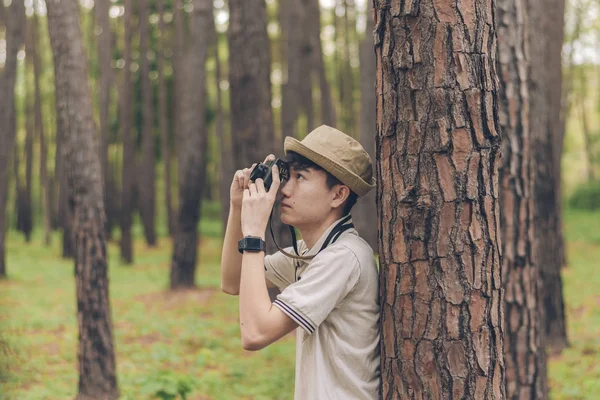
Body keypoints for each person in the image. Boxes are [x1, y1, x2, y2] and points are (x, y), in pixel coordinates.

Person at [220, 125, 380, 399]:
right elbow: (233, 281)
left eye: (301, 178)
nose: (284, 190)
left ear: (338, 195)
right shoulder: (312, 251)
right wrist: (238, 208)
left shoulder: (343, 257)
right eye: (287, 177)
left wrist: (256, 233)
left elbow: (256, 333)